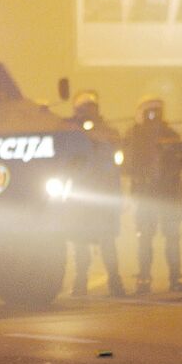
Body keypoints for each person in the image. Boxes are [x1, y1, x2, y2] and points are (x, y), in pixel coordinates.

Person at [123, 96, 182, 294]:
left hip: (166, 195)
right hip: (148, 196)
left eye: (156, 111)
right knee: (146, 238)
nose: (153, 116)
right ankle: (145, 277)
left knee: (171, 238)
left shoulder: (170, 135)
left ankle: (174, 276)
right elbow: (126, 165)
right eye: (150, 112)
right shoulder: (133, 136)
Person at [66, 91, 125, 297]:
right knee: (81, 243)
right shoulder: (69, 132)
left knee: (107, 242)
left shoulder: (107, 132)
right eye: (83, 109)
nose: (87, 112)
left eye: (90, 108)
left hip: (102, 196)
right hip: (81, 197)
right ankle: (80, 282)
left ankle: (115, 282)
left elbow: (116, 161)